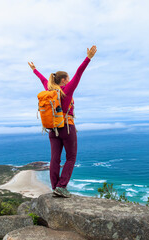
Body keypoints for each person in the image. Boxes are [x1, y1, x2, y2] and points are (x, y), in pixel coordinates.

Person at [28, 45, 97, 197]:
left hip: (53, 129)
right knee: (71, 157)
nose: (70, 79)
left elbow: (42, 79)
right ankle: (62, 186)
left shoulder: (50, 89)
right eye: (68, 78)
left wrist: (34, 69)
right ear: (64, 80)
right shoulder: (67, 89)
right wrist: (88, 58)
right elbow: (79, 73)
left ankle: (55, 187)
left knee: (55, 159)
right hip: (67, 128)